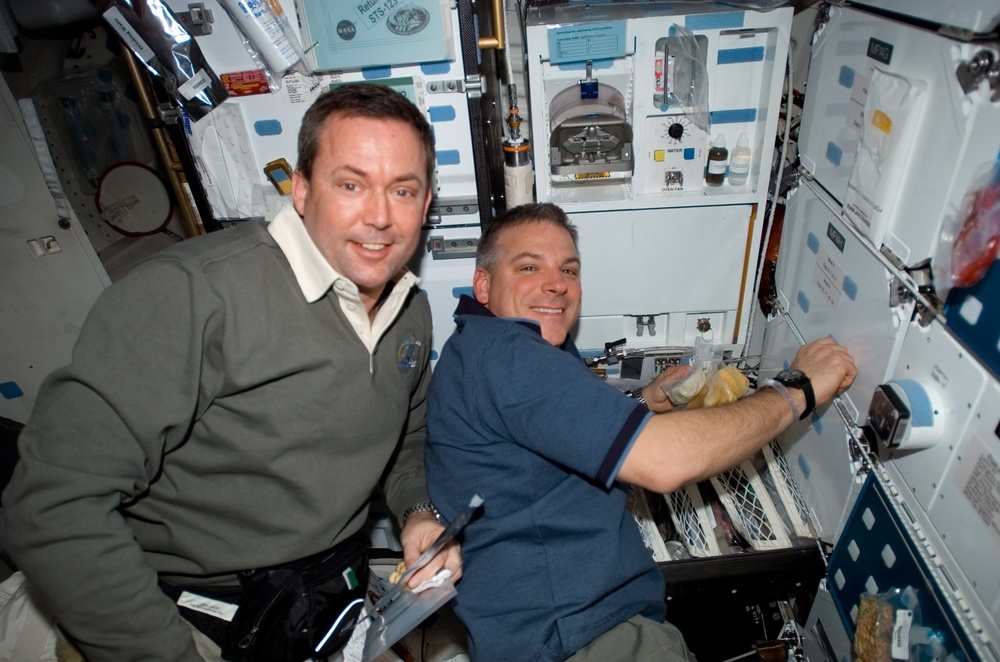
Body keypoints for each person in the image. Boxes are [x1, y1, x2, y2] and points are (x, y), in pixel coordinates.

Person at [4, 82, 460, 662]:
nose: (379, 216)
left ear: (425, 206)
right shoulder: (191, 294)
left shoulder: (410, 310)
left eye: (403, 190)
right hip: (194, 609)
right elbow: (52, 507)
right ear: (300, 188)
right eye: (351, 185)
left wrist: (419, 514)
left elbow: (406, 442)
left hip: (325, 592)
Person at [424, 202, 857, 662]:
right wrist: (795, 390)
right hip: (580, 638)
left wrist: (643, 402)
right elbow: (666, 462)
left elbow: (542, 429)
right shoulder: (511, 357)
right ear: (484, 284)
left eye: (569, 269)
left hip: (539, 626)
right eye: (530, 266)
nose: (557, 284)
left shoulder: (486, 345)